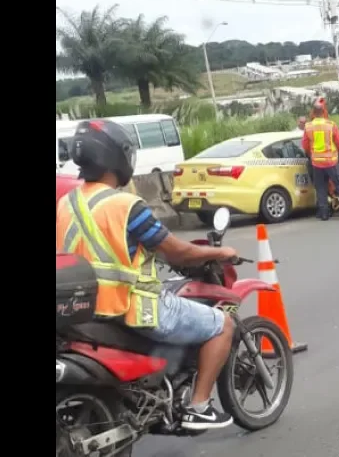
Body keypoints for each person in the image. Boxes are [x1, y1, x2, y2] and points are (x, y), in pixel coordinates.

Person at [55, 119, 237, 431]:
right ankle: (198, 406)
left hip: (83, 312)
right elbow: (177, 252)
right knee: (222, 324)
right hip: (133, 308)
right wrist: (219, 253)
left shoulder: (65, 203)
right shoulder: (126, 205)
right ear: (116, 157)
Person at [302, 100, 339, 220]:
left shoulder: (308, 127)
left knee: (321, 187)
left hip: (316, 163)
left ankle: (324, 212)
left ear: (313, 113)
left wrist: (312, 154)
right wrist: (338, 152)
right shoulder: (331, 125)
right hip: (331, 161)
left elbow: (305, 145)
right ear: (324, 112)